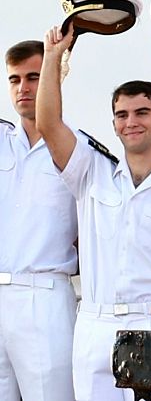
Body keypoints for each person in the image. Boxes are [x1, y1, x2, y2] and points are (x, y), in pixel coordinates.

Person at [35, 25, 151, 401]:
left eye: (141, 113)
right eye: (122, 115)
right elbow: (49, 125)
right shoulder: (90, 172)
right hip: (95, 324)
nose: (131, 122)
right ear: (114, 125)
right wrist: (52, 57)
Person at [1, 40, 77, 401]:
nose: (23, 88)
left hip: (44, 296)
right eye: (14, 80)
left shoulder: (78, 150)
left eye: (34, 77)